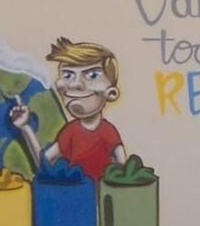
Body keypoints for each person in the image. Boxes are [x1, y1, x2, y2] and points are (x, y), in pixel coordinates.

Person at [9, 37, 127, 181]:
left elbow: (124, 172)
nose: (74, 84)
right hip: (74, 196)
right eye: (68, 75)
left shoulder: (108, 132)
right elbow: (44, 165)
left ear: (111, 93)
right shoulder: (71, 132)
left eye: (92, 75)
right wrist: (25, 127)